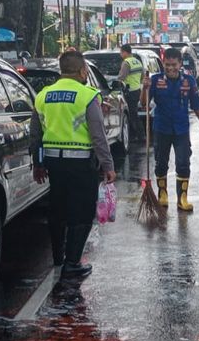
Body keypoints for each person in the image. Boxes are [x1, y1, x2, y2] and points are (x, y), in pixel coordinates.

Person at [35, 51, 116, 279]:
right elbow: (98, 135)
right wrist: (107, 165)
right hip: (81, 164)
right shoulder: (87, 95)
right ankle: (72, 263)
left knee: (58, 209)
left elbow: (36, 134)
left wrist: (37, 164)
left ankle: (58, 257)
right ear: (82, 71)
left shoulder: (43, 96)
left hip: (53, 163)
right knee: (81, 212)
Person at [143, 47, 199, 211]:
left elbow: (196, 105)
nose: (170, 68)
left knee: (183, 163)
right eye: (167, 65)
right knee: (161, 163)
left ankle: (182, 198)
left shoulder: (189, 81)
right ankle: (162, 194)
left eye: (173, 64)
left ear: (180, 64)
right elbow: (143, 103)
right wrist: (144, 88)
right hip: (161, 128)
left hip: (181, 129)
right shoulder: (155, 80)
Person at [117, 44, 145, 137]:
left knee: (132, 114)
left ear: (125, 52)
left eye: (121, 52)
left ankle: (139, 134)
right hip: (137, 91)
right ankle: (138, 134)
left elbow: (121, 77)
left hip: (128, 92)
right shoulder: (138, 62)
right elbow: (142, 77)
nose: (120, 54)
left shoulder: (126, 63)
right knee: (134, 113)